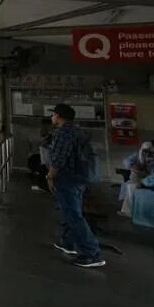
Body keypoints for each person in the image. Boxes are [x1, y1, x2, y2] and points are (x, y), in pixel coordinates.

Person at [47, 103, 105, 268]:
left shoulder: (63, 133)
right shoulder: (78, 131)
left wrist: (50, 176)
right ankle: (67, 242)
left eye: (53, 114)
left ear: (59, 117)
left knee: (73, 215)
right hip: (79, 178)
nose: (52, 117)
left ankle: (92, 253)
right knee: (72, 212)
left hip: (67, 178)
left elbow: (58, 159)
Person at [118, 141, 154, 217]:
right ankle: (128, 211)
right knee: (130, 186)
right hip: (137, 179)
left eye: (148, 151)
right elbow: (126, 161)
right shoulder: (138, 155)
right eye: (144, 151)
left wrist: (145, 174)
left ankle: (130, 212)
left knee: (132, 187)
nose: (146, 153)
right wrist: (132, 166)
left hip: (150, 179)